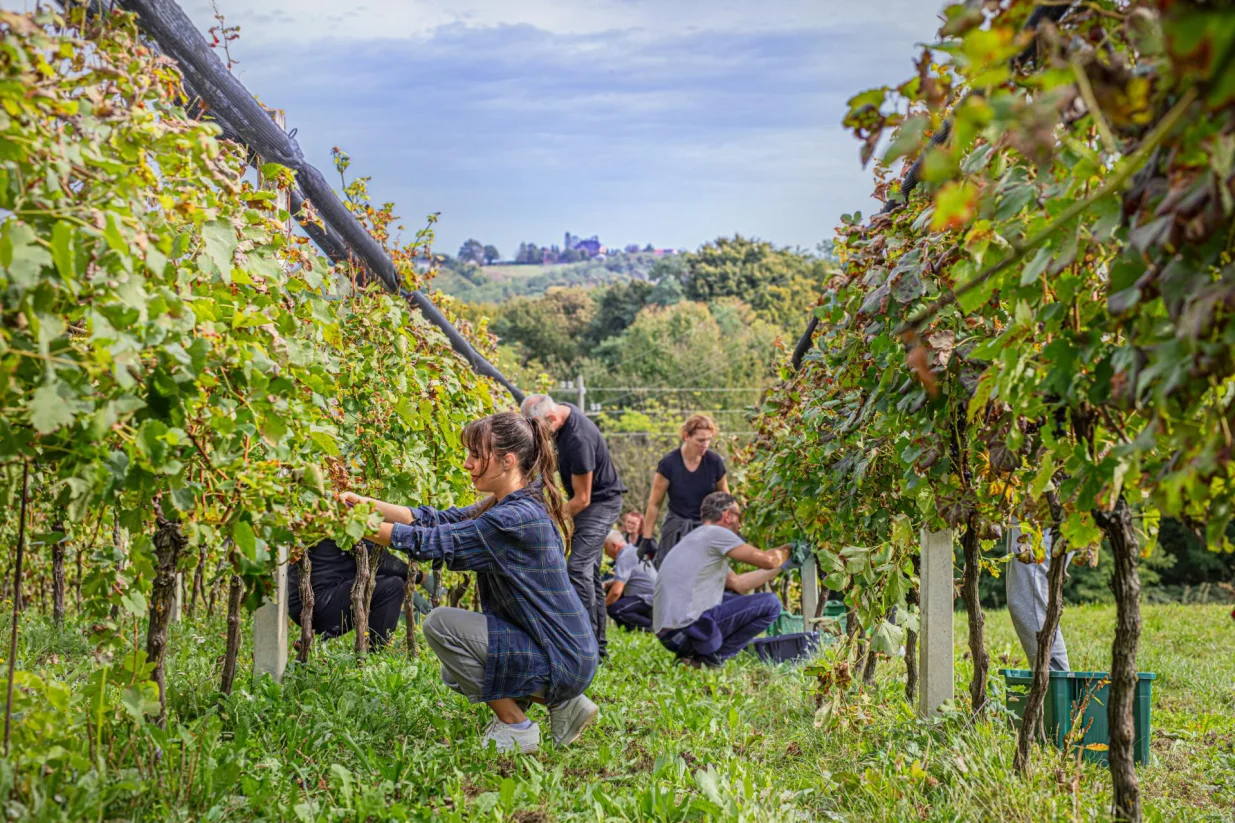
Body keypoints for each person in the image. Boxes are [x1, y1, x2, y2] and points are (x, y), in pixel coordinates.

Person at [343, 412, 599, 754]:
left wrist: (354, 525)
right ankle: (564, 703)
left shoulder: (512, 519)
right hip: (566, 649)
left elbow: (434, 543)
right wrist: (363, 506)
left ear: (507, 461)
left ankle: (517, 727)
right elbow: (438, 520)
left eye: (476, 456)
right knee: (455, 671)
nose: (467, 463)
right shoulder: (513, 503)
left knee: (441, 625)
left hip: (561, 655)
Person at [520, 394, 626, 660]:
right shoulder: (561, 414)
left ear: (552, 419)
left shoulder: (578, 439)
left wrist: (544, 516)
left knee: (577, 568)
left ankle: (585, 645)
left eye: (539, 429)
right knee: (588, 572)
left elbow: (582, 500)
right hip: (589, 502)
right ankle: (598, 648)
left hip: (600, 504)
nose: (538, 436)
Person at [653, 492, 794, 667]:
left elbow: (740, 584)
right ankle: (709, 661)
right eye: (739, 517)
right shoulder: (716, 533)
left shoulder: (698, 541)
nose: (740, 524)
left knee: (740, 599)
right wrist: (788, 550)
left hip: (670, 635)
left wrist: (783, 565)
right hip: (686, 630)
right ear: (727, 515)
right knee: (771, 604)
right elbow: (768, 560)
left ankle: (694, 657)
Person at [640, 414, 729, 568]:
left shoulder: (714, 462)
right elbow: (654, 504)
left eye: (709, 439)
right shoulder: (669, 464)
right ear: (686, 436)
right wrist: (646, 538)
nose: (705, 444)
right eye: (701, 440)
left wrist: (733, 526)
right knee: (671, 573)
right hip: (677, 527)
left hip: (706, 528)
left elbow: (727, 499)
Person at [287, 538, 412, 647]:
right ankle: (376, 650)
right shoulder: (348, 518)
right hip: (319, 602)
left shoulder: (328, 516)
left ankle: (324, 634)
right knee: (392, 586)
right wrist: (420, 578)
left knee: (382, 582)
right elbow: (377, 559)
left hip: (301, 602)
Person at [1006, 523, 1071, 671]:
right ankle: (1050, 685)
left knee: (1029, 602)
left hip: (1043, 505)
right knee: (1027, 598)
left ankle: (1056, 688)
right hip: (1032, 505)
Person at [603, 530, 657, 632]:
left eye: (606, 549)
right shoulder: (633, 551)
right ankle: (630, 631)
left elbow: (616, 592)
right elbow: (629, 577)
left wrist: (603, 606)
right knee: (616, 601)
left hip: (648, 597)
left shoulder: (624, 557)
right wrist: (606, 584)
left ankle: (651, 629)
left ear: (614, 546)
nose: (606, 553)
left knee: (615, 608)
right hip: (653, 595)